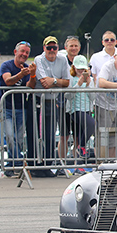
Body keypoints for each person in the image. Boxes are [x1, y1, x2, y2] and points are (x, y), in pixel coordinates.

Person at [33, 36, 71, 175]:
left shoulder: (62, 59)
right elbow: (44, 82)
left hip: (53, 100)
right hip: (38, 100)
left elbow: (67, 82)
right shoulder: (38, 59)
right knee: (38, 133)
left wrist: (53, 80)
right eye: (49, 48)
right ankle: (36, 164)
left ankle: (48, 165)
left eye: (54, 47)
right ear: (44, 48)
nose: (52, 50)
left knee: (50, 134)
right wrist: (57, 81)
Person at [0, 41, 37, 176]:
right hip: (6, 107)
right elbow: (7, 81)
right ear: (15, 52)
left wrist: (32, 75)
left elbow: (30, 86)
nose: (24, 54)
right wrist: (21, 74)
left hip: (21, 107)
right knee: (9, 136)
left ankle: (12, 165)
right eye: (22, 51)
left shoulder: (27, 68)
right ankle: (19, 163)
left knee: (19, 139)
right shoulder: (6, 65)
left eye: (27, 53)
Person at [66, 55, 96, 161]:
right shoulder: (71, 79)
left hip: (87, 109)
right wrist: (78, 85)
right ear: (74, 68)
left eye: (83, 69)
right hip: (76, 110)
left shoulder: (90, 80)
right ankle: (81, 147)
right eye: (78, 68)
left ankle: (78, 162)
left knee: (79, 136)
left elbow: (93, 98)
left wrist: (88, 86)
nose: (81, 71)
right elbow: (68, 96)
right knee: (91, 124)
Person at [58, 36, 82, 162]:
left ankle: (76, 162)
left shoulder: (83, 62)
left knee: (77, 136)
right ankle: (62, 163)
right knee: (64, 135)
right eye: (71, 46)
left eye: (75, 46)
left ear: (79, 47)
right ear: (66, 48)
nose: (73, 48)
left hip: (78, 104)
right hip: (63, 102)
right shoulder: (62, 61)